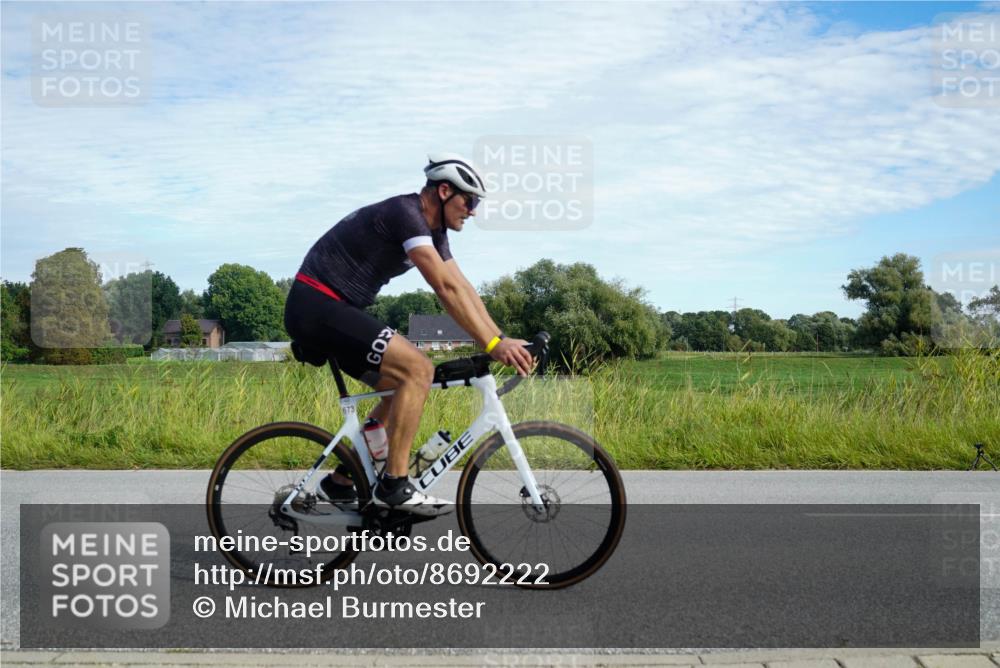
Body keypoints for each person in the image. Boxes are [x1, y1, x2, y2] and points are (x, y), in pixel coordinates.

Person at [284, 153, 535, 516]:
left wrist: (501, 339)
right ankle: (394, 486)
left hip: (335, 308)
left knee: (400, 384)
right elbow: (444, 290)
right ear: (445, 191)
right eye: (471, 200)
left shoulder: (434, 231)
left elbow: (461, 286)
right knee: (418, 368)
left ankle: (340, 482)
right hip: (316, 305)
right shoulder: (406, 215)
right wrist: (493, 345)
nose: (474, 211)